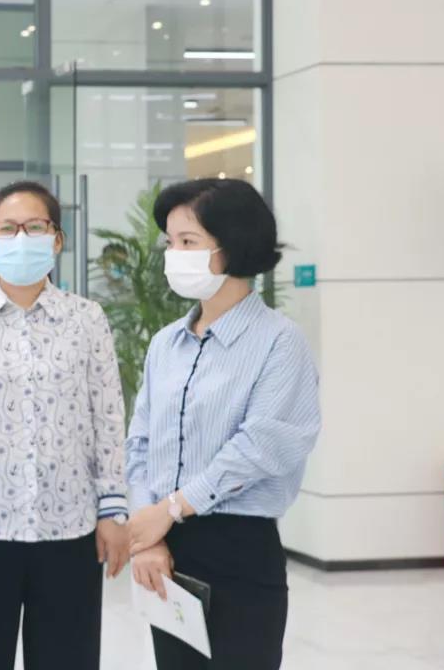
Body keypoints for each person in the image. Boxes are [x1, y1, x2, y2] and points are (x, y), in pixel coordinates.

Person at [0, 180, 129, 670]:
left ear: (57, 239)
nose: (21, 238)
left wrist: (113, 507)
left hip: (70, 531)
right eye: (8, 228)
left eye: (35, 227)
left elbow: (108, 416)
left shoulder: (87, 319)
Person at [126, 178, 321, 670]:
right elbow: (140, 443)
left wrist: (171, 508)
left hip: (238, 548)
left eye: (188, 241)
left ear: (232, 246)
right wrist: (149, 533)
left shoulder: (279, 341)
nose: (173, 254)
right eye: (170, 242)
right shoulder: (165, 344)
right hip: (164, 548)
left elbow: (261, 445)